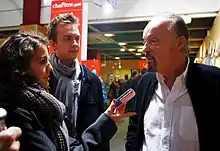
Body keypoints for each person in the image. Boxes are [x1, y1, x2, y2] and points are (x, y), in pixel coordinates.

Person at [0, 33, 135, 151]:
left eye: (77, 38)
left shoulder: (44, 105)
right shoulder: (17, 114)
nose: (50, 68)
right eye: (42, 61)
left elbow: (70, 146)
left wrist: (107, 118)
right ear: (19, 69)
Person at [126, 14, 220, 151]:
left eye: (153, 41)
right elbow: (134, 130)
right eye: (144, 42)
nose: (144, 49)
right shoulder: (145, 83)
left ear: (180, 43)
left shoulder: (213, 81)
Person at [47, 14, 108, 149]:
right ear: (53, 44)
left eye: (77, 38)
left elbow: (100, 128)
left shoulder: (91, 80)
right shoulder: (43, 78)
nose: (75, 44)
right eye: (68, 38)